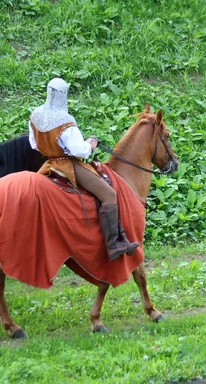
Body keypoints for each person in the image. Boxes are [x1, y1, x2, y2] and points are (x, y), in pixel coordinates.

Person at [28, 77, 138, 260]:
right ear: (63, 95)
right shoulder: (64, 121)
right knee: (109, 194)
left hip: (48, 164)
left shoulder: (36, 115)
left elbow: (33, 145)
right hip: (67, 165)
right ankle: (114, 245)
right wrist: (91, 143)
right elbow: (81, 151)